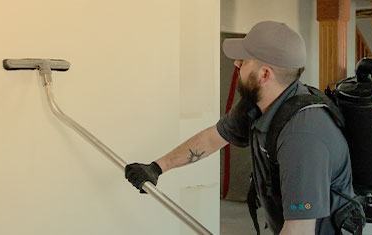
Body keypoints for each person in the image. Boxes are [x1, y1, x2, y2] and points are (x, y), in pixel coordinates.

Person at [125, 21, 354, 235]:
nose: (236, 64)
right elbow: (213, 138)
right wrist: (156, 167)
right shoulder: (258, 104)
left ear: (265, 74)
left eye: (243, 61)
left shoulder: (303, 136)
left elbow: (300, 229)